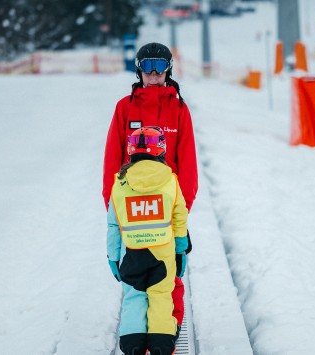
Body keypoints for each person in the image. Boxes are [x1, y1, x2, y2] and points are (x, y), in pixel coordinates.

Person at [103, 42, 197, 343]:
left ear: (168, 69)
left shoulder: (179, 109)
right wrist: (114, 207)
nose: (154, 73)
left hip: (168, 208)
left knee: (170, 279)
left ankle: (166, 334)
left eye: (160, 66)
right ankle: (136, 337)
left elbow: (188, 164)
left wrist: (181, 208)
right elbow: (111, 160)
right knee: (135, 277)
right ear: (139, 69)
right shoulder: (124, 108)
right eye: (148, 66)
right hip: (131, 209)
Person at [107, 126, 190, 355]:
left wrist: (113, 257)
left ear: (131, 150)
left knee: (134, 296)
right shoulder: (170, 181)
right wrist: (180, 250)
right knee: (161, 296)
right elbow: (179, 216)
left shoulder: (120, 183)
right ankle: (161, 345)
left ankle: (133, 344)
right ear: (161, 149)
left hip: (132, 253)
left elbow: (113, 224)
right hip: (162, 254)